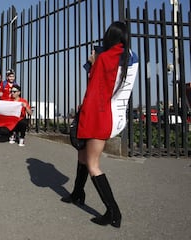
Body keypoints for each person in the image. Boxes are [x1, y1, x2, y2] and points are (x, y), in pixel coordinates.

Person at [61, 21, 138, 228]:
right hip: (104, 113)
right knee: (82, 156)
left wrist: (93, 63)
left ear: (109, 36)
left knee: (93, 164)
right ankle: (78, 193)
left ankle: (113, 212)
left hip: (97, 115)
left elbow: (94, 89)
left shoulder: (103, 58)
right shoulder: (125, 57)